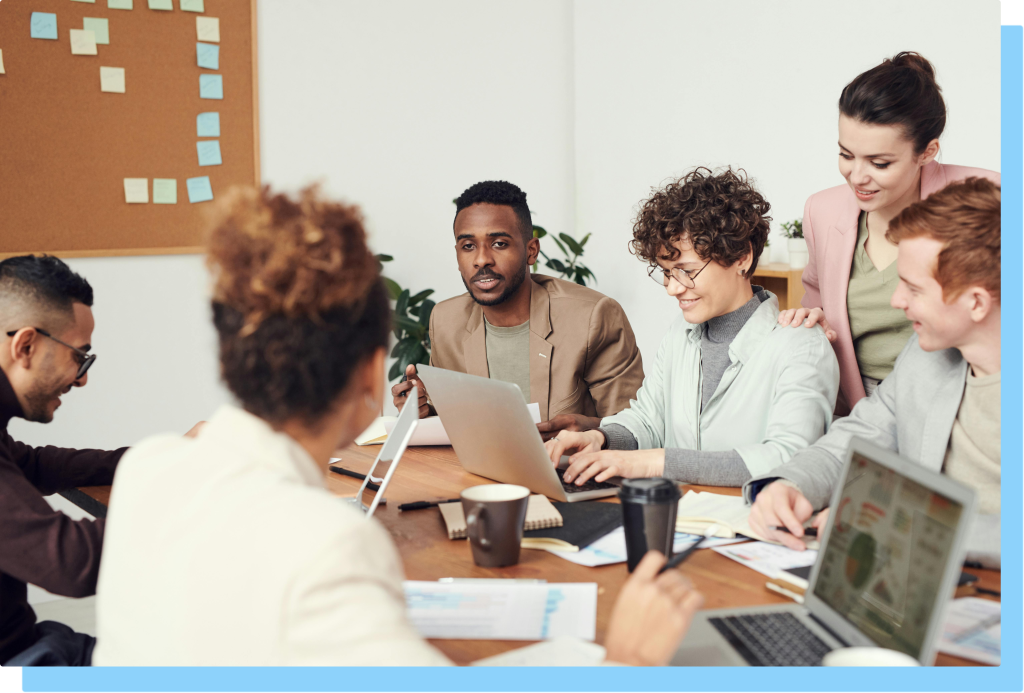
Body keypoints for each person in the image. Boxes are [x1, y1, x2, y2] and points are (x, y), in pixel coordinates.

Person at [94, 185, 703, 666]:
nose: (481, 259)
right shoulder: (327, 543)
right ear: (368, 373)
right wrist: (624, 662)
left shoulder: (149, 466)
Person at [748, 178, 1000, 568]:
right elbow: (861, 436)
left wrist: (904, 527)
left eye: (914, 290)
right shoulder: (924, 355)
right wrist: (791, 484)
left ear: (977, 303)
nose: (897, 301)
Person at [545, 168, 840, 488]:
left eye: (686, 271)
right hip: (683, 518)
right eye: (667, 273)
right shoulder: (679, 334)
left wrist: (655, 462)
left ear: (741, 257)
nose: (673, 288)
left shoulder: (801, 345)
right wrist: (601, 439)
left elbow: (788, 457)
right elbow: (647, 420)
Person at [778, 52, 999, 414]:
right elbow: (816, 302)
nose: (857, 176)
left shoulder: (986, 198)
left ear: (927, 152)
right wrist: (811, 320)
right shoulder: (822, 211)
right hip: (854, 404)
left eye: (880, 163)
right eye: (846, 155)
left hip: (960, 405)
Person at [391, 180, 644, 437]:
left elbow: (637, 430)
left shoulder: (593, 317)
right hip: (478, 473)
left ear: (531, 252)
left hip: (569, 472)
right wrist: (423, 412)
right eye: (468, 246)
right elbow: (457, 426)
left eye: (499, 243)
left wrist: (591, 430)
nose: (481, 260)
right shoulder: (446, 320)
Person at [1, 256, 120, 666]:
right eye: (79, 357)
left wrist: (160, 458)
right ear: (26, 345)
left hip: (28, 643)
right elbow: (72, 563)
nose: (83, 377)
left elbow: (32, 464)